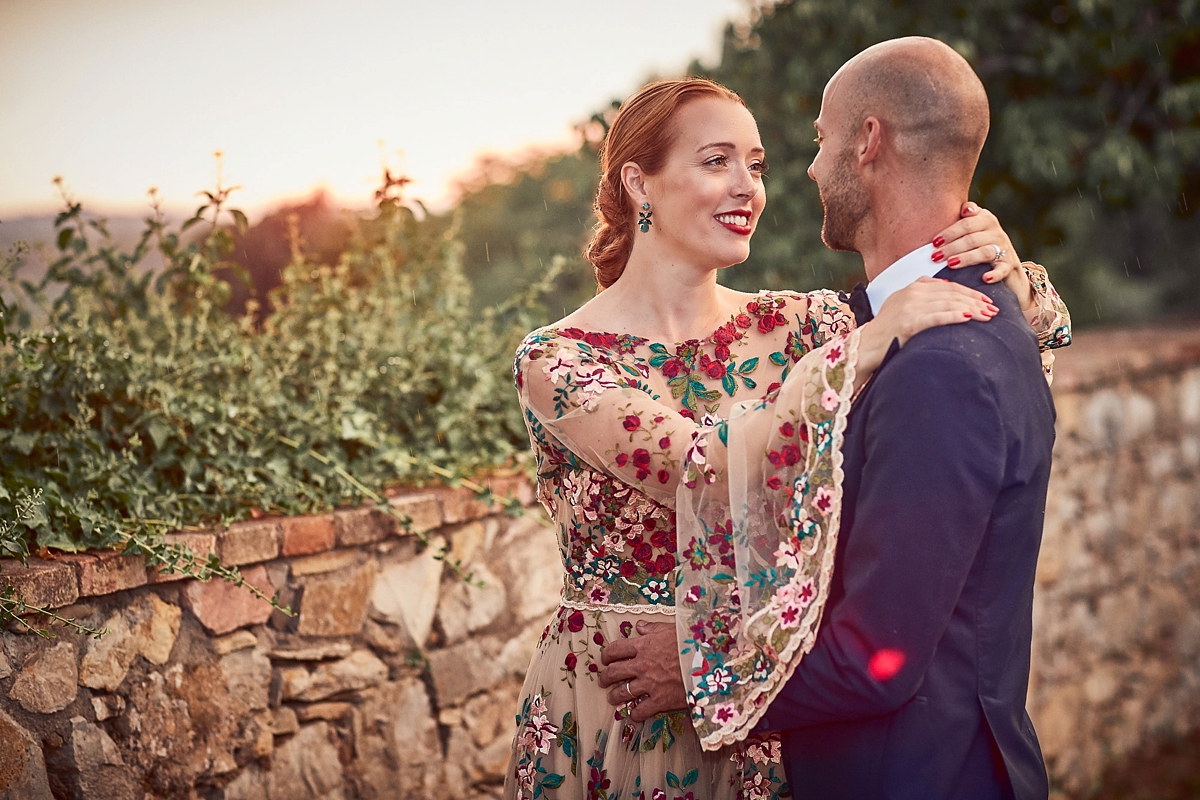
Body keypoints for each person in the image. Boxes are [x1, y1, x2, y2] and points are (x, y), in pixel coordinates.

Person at [505, 76, 1070, 800]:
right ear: (639, 184)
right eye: (717, 162)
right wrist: (861, 350)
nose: (748, 187)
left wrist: (1004, 266)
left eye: (758, 164)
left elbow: (1001, 336)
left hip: (767, 707)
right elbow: (693, 469)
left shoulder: (798, 325)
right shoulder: (559, 359)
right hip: (617, 709)